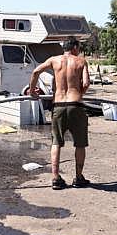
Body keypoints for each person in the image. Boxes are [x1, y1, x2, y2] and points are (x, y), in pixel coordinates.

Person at [27, 37, 91, 190]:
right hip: (76, 105)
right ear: (75, 47)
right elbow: (86, 83)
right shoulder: (81, 61)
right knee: (80, 144)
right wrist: (79, 94)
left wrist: (32, 90)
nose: (79, 50)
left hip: (58, 105)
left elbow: (36, 71)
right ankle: (78, 178)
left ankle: (55, 178)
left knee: (57, 142)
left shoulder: (54, 60)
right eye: (79, 47)